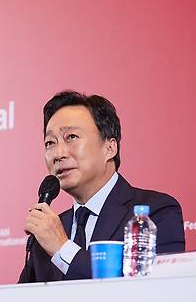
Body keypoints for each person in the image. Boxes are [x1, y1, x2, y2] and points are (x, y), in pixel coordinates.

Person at [19, 91, 185, 283]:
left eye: (71, 136)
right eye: (50, 143)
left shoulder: (156, 212)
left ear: (109, 148)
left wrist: (62, 248)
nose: (58, 154)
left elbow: (157, 289)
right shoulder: (50, 229)